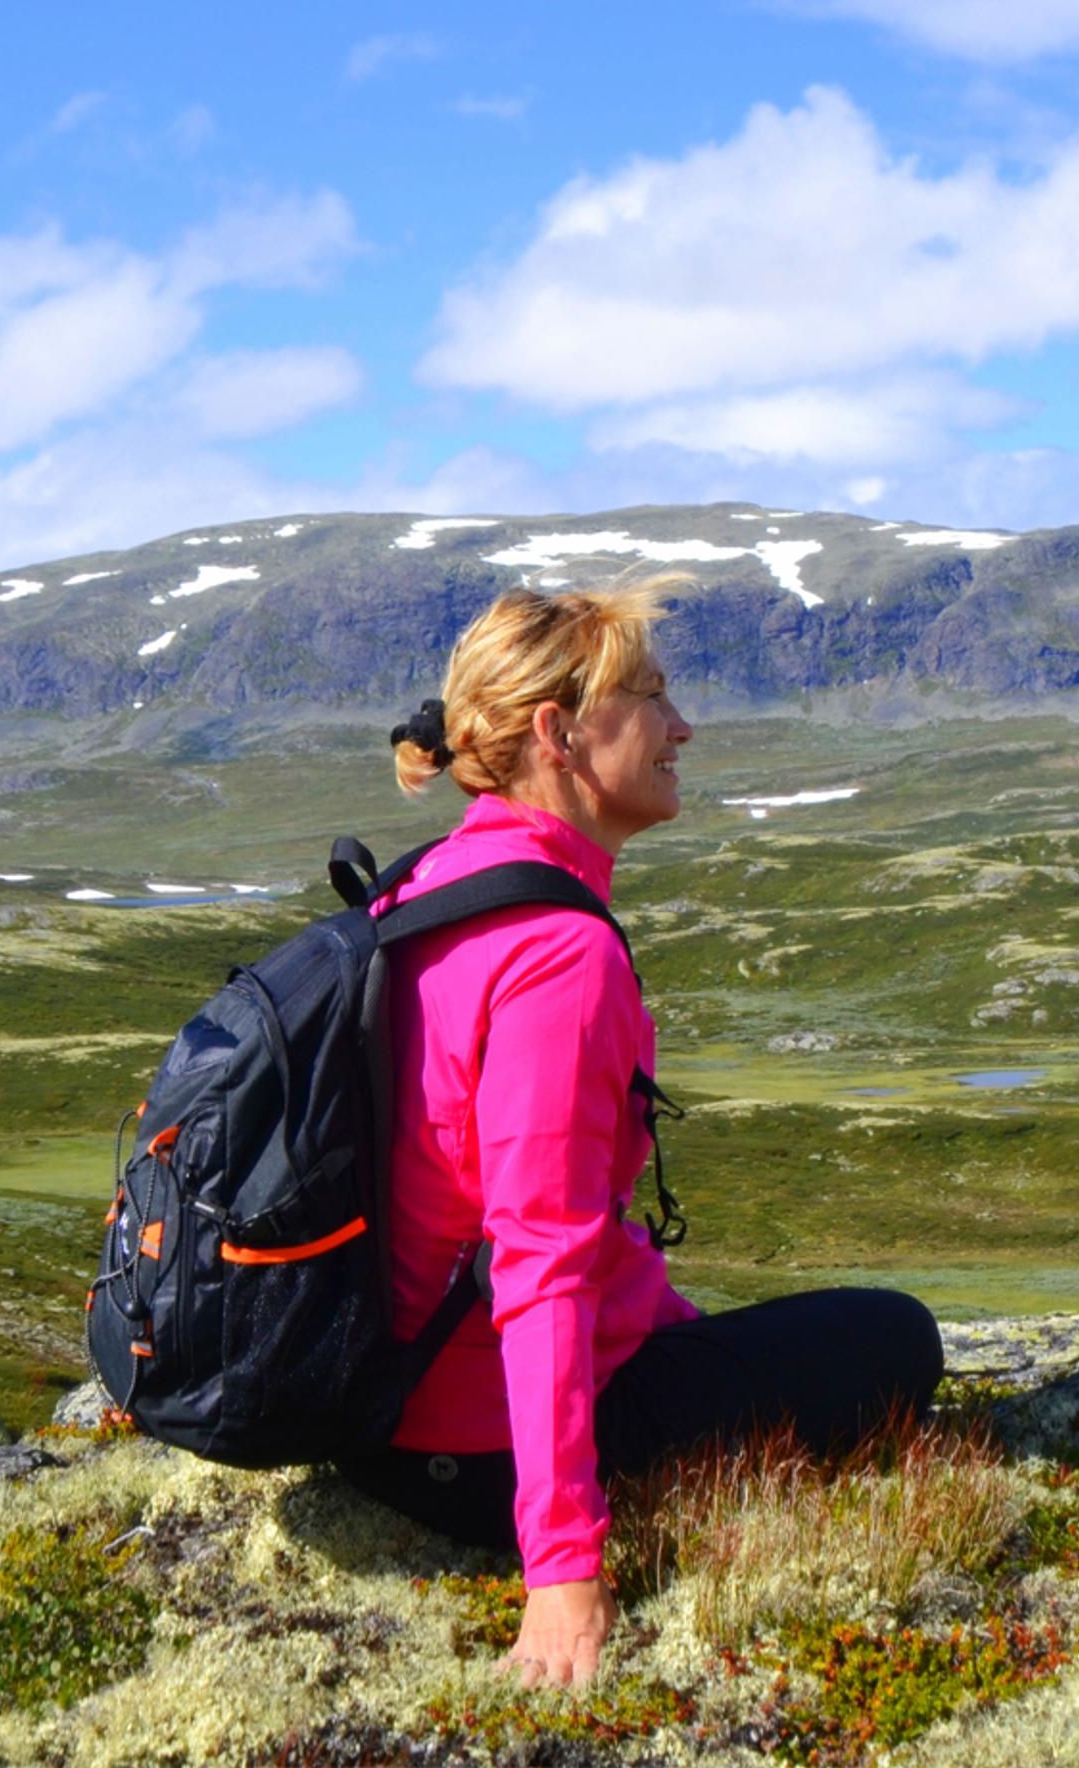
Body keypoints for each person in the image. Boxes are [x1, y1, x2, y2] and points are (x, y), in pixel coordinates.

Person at [337, 577, 944, 1688]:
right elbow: (538, 1260)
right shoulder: (556, 952)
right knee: (896, 1342)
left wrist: (676, 1330)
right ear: (559, 735)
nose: (681, 728)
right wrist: (563, 1571)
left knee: (739, 1343)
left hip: (378, 1419)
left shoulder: (427, 889)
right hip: (474, 1454)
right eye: (652, 697)